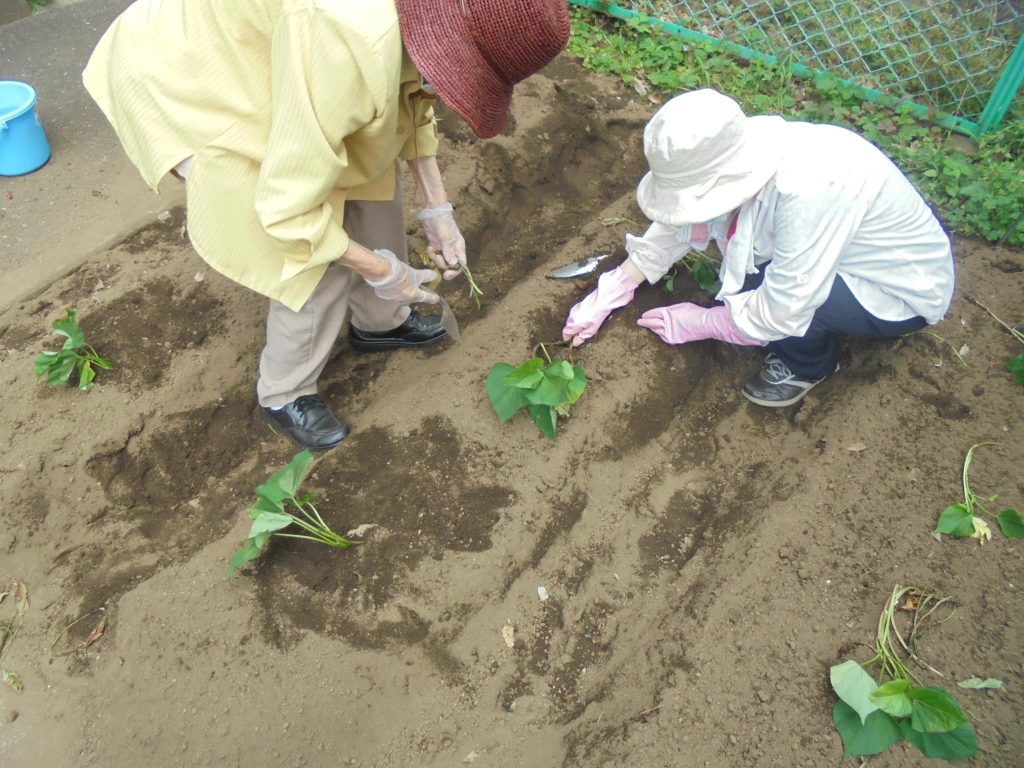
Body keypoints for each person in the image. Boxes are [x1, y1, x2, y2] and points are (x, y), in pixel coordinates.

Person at [83, 0, 570, 449]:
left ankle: (381, 323)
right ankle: (283, 391)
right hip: (195, 73)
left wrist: (436, 209)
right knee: (316, 249)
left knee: (369, 170)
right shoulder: (349, 38)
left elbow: (411, 99)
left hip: (294, 54)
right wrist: (377, 269)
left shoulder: (419, 24)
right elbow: (289, 210)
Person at [562, 88, 954, 407]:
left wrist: (704, 322)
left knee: (767, 293)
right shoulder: (737, 153)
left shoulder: (811, 189)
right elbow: (684, 215)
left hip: (893, 289)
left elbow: (787, 306)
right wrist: (619, 283)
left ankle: (808, 365)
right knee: (751, 282)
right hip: (835, 251)